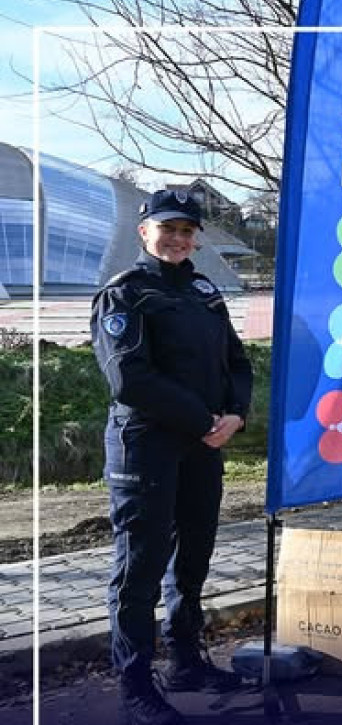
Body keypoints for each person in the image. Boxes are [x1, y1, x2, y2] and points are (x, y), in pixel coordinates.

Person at [91, 190, 252, 725]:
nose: (179, 238)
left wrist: (236, 412)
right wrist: (203, 420)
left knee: (192, 561)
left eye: (187, 230)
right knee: (139, 570)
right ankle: (136, 686)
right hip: (147, 446)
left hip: (202, 445)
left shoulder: (204, 291)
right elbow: (129, 377)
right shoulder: (125, 294)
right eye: (168, 229)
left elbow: (236, 360)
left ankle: (186, 661)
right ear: (144, 232)